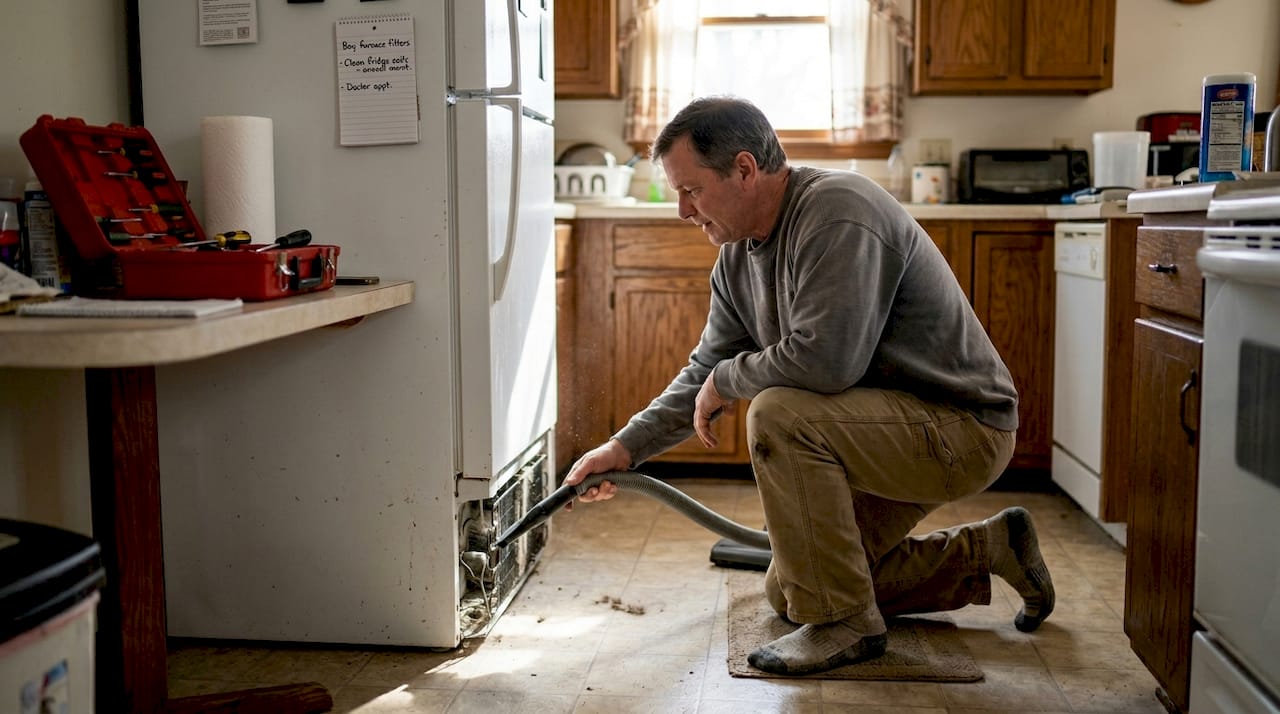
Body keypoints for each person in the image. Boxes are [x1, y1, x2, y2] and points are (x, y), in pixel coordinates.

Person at [563, 96, 1054, 676]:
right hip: (878, 428)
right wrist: (623, 449)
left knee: (777, 413)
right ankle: (989, 548)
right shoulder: (737, 259)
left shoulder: (838, 210)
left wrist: (728, 379)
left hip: (961, 427)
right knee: (794, 593)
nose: (682, 211)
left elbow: (827, 363)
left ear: (744, 169)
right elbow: (704, 371)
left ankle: (848, 624)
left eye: (691, 190)